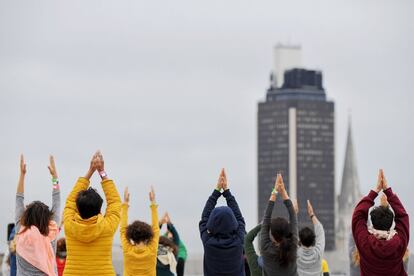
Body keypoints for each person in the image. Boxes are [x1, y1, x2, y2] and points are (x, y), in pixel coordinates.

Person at [63, 151, 121, 276]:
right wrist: (101, 172)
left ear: (77, 209)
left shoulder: (69, 224)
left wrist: (90, 171)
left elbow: (70, 201)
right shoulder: (107, 227)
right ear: (100, 210)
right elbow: (115, 203)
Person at [352, 169, 409, 276]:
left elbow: (358, 215)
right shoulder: (399, 243)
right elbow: (403, 217)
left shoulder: (365, 243)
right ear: (391, 222)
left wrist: (375, 191)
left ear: (372, 222)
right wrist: (388, 192)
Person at [15, 155, 61, 276]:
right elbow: (57, 200)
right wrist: (54, 177)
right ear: (47, 219)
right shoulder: (51, 232)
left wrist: (22, 175)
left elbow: (19, 199)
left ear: (27, 216)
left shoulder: (21, 231)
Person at [199, 168, 246, 276]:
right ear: (233, 222)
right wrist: (226, 191)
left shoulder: (208, 242)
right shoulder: (239, 239)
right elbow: (239, 218)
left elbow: (204, 217)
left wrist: (217, 190)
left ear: (211, 223)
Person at [260, 173, 298, 276]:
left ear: (272, 233)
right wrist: (283, 192)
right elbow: (293, 215)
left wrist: (275, 191)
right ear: (288, 231)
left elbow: (266, 218)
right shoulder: (293, 246)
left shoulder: (265, 248)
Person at [120, 186, 159, 276]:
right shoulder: (152, 250)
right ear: (148, 235)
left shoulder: (127, 250)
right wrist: (153, 202)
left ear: (131, 236)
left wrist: (125, 203)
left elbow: (123, 230)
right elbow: (156, 229)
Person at [296, 200, 325, 276]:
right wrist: (311, 214)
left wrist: (294, 213)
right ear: (313, 240)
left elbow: (290, 232)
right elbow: (320, 230)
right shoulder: (318, 253)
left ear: (300, 241)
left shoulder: (296, 253)